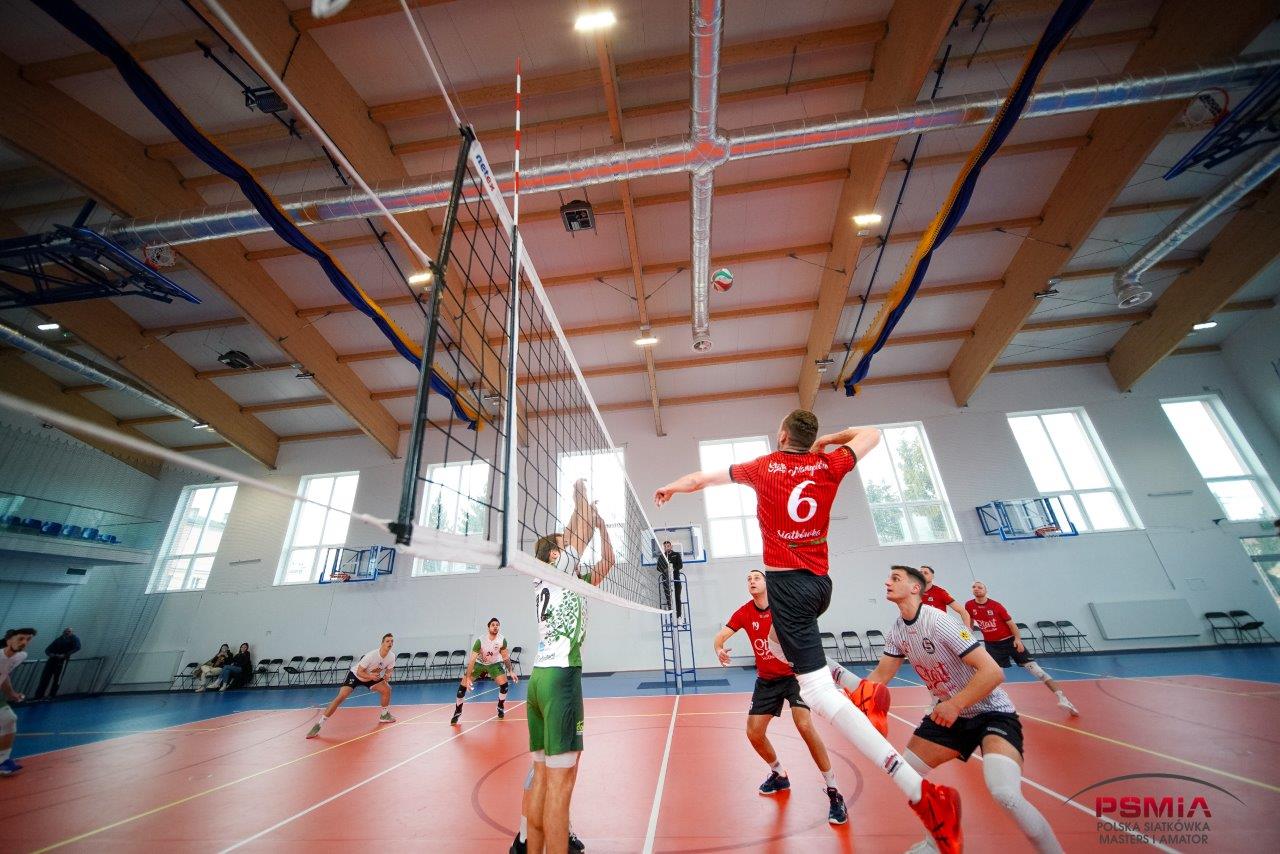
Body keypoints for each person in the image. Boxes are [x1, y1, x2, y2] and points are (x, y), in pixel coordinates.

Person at [654, 409, 962, 853]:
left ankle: (922, 793)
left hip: (789, 588)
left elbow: (700, 480)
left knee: (817, 695)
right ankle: (858, 686)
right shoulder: (829, 463)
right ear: (809, 437)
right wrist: (830, 441)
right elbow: (872, 432)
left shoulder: (763, 467)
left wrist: (671, 487)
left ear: (782, 434)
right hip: (819, 585)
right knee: (776, 642)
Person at [866, 566, 1063, 854]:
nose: (887, 582)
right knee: (905, 772)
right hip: (949, 715)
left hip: (991, 712)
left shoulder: (939, 621)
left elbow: (993, 672)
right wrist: (835, 691)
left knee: (1005, 793)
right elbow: (880, 676)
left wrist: (956, 704)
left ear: (915, 588)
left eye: (895, 578)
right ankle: (936, 842)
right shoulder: (897, 630)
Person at [511, 479, 610, 854]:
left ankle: (530, 845)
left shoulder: (549, 579)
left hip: (538, 679)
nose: (570, 546)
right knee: (561, 785)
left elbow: (600, 555)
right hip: (560, 679)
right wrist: (580, 495)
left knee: (541, 777)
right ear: (555, 555)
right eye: (563, 545)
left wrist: (595, 520)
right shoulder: (560, 568)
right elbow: (578, 532)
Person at [714, 570, 848, 825]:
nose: (752, 581)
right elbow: (720, 636)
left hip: (795, 675)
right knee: (754, 733)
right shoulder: (745, 612)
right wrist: (719, 648)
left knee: (804, 725)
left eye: (756, 577)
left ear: (767, 583)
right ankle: (779, 774)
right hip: (767, 680)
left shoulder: (782, 607)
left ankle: (834, 791)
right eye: (748, 579)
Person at [964, 582, 1078, 717]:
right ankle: (988, 705)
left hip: (1010, 642)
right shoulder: (969, 605)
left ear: (986, 590)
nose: (976, 589)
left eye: (980, 587)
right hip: (992, 646)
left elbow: (1012, 625)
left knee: (1037, 671)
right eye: (974, 587)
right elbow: (970, 620)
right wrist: (968, 631)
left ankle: (1063, 699)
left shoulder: (996, 606)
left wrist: (1017, 640)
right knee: (990, 676)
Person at [306, 633, 397, 738]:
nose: (390, 643)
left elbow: (389, 669)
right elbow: (359, 672)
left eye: (392, 641)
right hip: (356, 675)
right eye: (387, 641)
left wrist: (387, 675)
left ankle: (384, 715)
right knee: (341, 697)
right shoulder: (371, 656)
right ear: (382, 643)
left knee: (387, 689)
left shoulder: (391, 656)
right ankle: (319, 725)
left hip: (371, 677)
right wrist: (370, 677)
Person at [452, 617, 518, 725]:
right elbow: (472, 660)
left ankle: (500, 706)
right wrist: (468, 678)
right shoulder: (480, 641)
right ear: (488, 627)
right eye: (493, 625)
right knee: (461, 689)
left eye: (497, 625)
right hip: (479, 664)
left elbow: (505, 657)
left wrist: (511, 671)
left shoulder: (502, 640)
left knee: (505, 686)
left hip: (493, 664)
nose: (495, 627)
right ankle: (458, 711)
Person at [0, 627, 36, 776]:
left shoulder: (20, 656)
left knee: (9, 719)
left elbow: (4, 675)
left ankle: (2, 761)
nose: (24, 642)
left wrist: (12, 694)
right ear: (9, 640)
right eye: (20, 638)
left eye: (28, 639)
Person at [34, 627, 80, 701]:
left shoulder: (74, 639)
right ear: (63, 632)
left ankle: (51, 696)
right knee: (44, 678)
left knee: (57, 680)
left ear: (72, 633)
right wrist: (51, 654)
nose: (67, 632)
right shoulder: (58, 639)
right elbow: (47, 649)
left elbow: (77, 647)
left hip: (62, 661)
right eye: (66, 631)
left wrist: (65, 655)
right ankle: (38, 696)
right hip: (52, 660)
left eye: (69, 631)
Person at [657, 539, 684, 618]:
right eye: (665, 547)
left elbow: (680, 566)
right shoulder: (662, 556)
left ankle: (678, 616)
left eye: (668, 546)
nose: (666, 548)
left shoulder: (676, 554)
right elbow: (658, 568)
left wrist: (672, 569)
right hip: (666, 581)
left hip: (676, 580)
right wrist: (665, 570)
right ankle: (672, 616)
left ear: (671, 546)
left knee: (677, 597)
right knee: (669, 598)